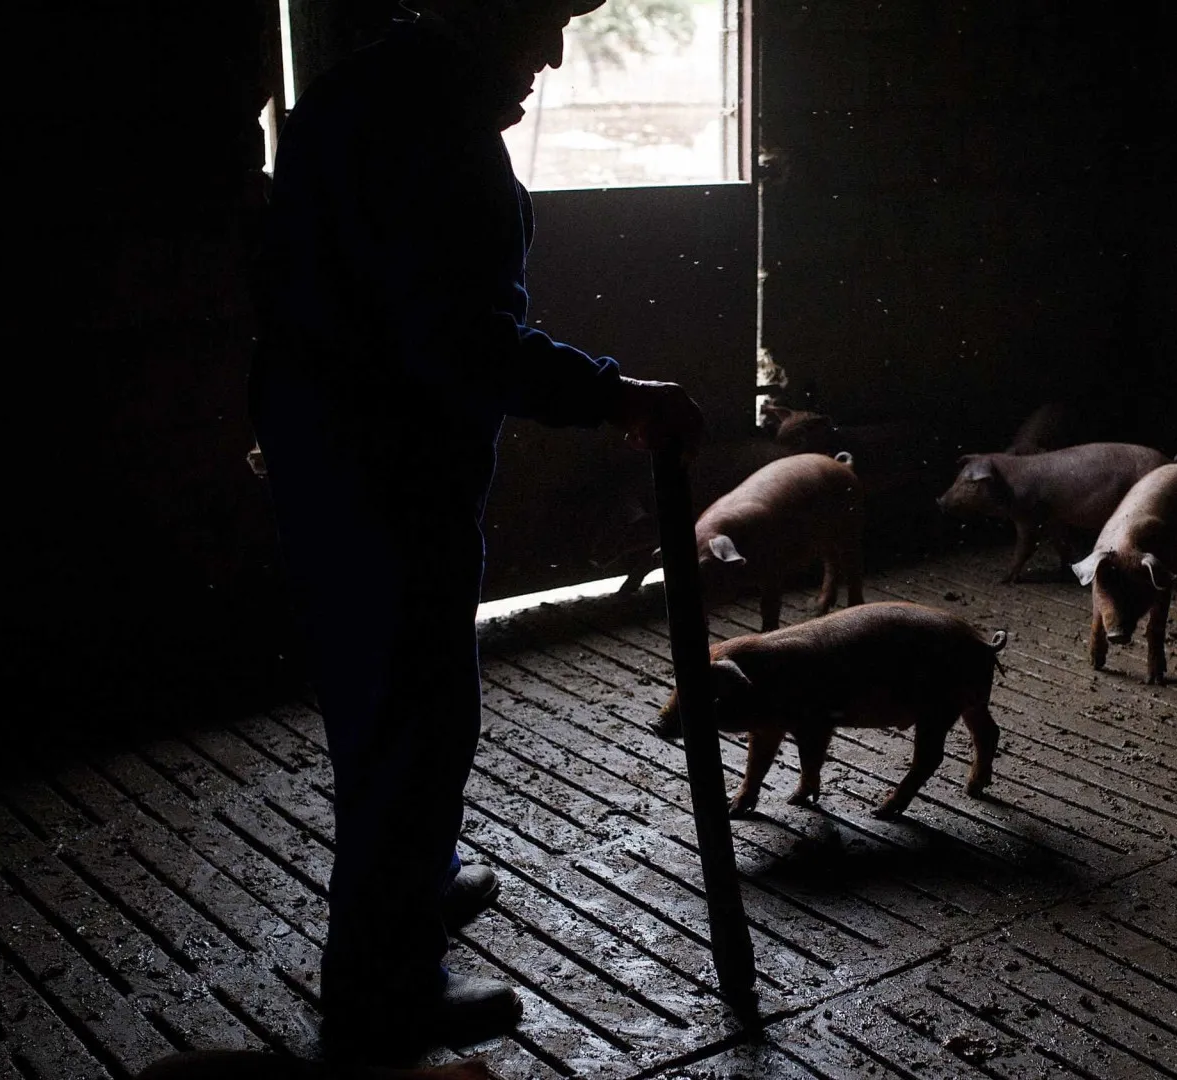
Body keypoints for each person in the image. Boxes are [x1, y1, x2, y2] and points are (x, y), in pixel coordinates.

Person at [249, 0, 703, 1057]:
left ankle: (421, 879)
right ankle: (383, 994)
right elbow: (461, 344)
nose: (551, 53)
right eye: (542, 22)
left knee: (383, 702)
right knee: (413, 721)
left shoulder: (351, 96)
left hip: (328, 451)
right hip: (387, 470)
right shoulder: (439, 137)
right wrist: (615, 393)